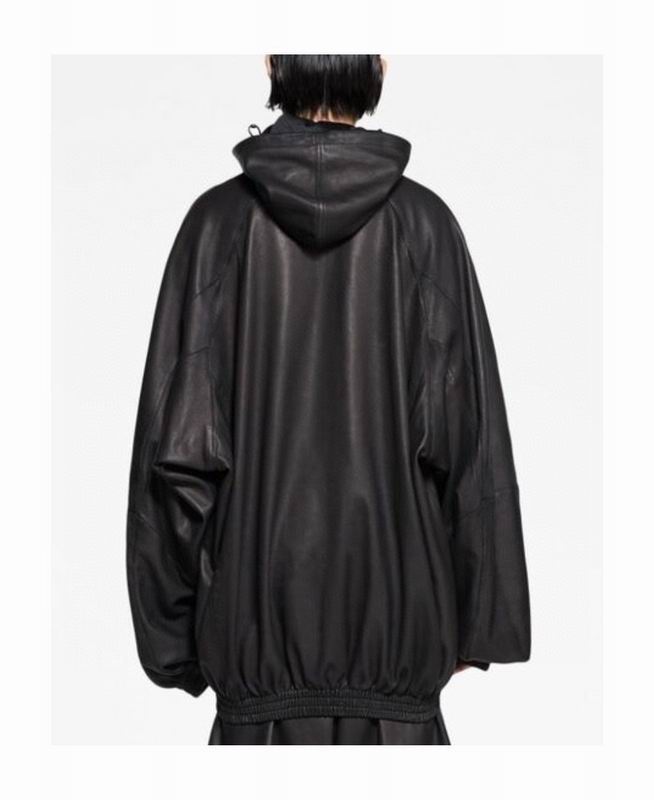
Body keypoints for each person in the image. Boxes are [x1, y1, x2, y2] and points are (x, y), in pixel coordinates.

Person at [126, 54, 531, 746]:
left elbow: (176, 459)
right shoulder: (426, 227)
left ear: (272, 62)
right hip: (397, 696)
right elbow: (472, 443)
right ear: (379, 66)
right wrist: (479, 622)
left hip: (256, 697)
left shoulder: (216, 226)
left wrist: (172, 644)